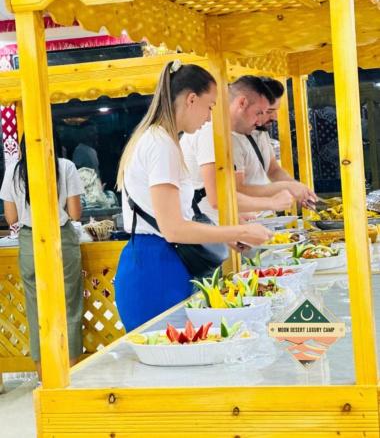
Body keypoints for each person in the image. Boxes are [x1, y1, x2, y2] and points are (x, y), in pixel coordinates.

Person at [114, 61, 272, 332]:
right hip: (156, 268)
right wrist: (238, 230)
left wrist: (230, 234)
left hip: (159, 262)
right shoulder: (160, 144)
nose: (210, 117)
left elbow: (177, 221)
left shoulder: (158, 139)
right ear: (191, 99)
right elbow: (174, 228)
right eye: (210, 106)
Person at [0, 134, 84, 380]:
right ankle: (70, 376)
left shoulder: (14, 171)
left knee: (36, 308)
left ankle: (45, 378)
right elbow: (75, 213)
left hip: (29, 240)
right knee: (69, 306)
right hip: (61, 239)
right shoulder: (65, 166)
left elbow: (12, 218)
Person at [180, 76, 295, 223]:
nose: (261, 120)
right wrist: (271, 202)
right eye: (260, 112)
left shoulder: (228, 131)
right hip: (213, 231)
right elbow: (217, 198)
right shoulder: (210, 131)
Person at [230, 76, 317, 206]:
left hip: (263, 216)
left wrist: (296, 188)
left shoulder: (261, 132)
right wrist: (285, 188)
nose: (275, 117)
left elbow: (273, 169)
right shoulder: (231, 137)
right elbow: (236, 190)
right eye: (268, 111)